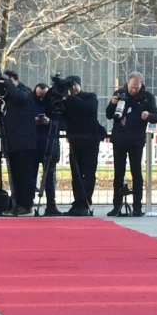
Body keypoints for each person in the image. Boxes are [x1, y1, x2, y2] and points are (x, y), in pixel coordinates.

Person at [105, 73, 157, 216]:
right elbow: (109, 114)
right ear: (127, 84)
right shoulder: (120, 94)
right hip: (119, 139)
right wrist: (112, 103)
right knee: (118, 173)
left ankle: (137, 207)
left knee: (137, 173)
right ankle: (116, 205)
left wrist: (148, 115)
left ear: (141, 85)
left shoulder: (147, 97)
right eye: (131, 87)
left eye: (136, 88)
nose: (133, 90)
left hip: (136, 139)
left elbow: (156, 117)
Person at [0, 71, 40, 216]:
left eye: (8, 82)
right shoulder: (8, 97)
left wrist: (7, 83)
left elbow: (19, 96)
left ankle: (26, 205)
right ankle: (17, 204)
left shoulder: (25, 92)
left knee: (25, 175)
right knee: (16, 177)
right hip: (12, 143)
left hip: (25, 143)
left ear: (14, 80)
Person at [62, 76, 104, 216]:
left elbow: (89, 109)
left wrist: (71, 98)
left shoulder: (89, 97)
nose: (72, 88)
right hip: (75, 140)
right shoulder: (66, 100)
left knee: (89, 173)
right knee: (76, 173)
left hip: (90, 140)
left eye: (74, 85)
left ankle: (86, 201)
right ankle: (77, 200)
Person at [32, 83, 62, 216]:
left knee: (50, 176)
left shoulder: (55, 104)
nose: (41, 99)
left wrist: (50, 122)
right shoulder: (30, 102)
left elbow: (63, 123)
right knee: (30, 176)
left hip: (50, 143)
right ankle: (28, 203)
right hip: (33, 143)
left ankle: (51, 204)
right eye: (38, 96)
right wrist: (33, 121)